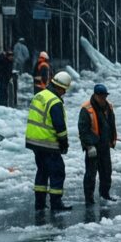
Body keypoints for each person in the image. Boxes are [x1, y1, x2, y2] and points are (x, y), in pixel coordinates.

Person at [26, 71, 73, 211]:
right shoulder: (55, 102)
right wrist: (64, 144)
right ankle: (56, 204)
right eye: (64, 89)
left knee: (42, 171)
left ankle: (39, 204)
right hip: (48, 142)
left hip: (34, 141)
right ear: (59, 87)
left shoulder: (39, 95)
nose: (64, 93)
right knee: (58, 171)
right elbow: (60, 127)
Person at [78, 84, 117, 205]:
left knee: (106, 172)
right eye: (100, 97)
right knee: (91, 174)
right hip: (93, 147)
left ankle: (105, 195)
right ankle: (89, 199)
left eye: (104, 96)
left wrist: (112, 139)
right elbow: (83, 130)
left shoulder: (108, 107)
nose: (103, 99)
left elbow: (111, 124)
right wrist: (89, 145)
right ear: (95, 95)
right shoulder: (86, 109)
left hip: (104, 145)